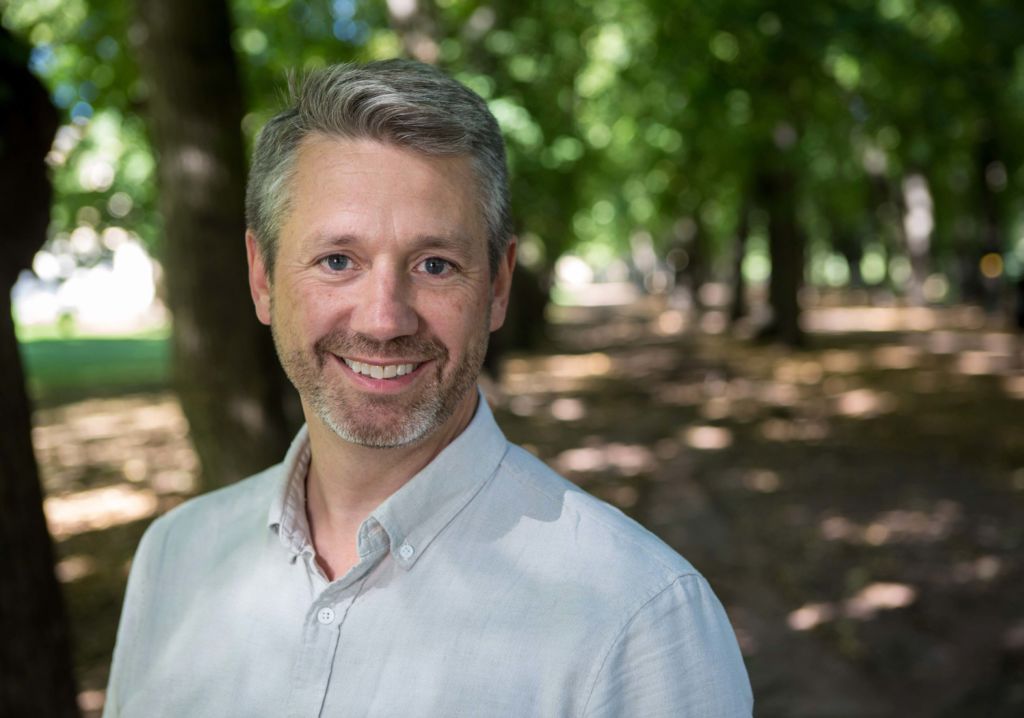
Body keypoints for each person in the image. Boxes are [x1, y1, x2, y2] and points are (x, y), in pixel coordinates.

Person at [103, 59, 753, 717]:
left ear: (497, 286)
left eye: (435, 265)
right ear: (262, 277)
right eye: (337, 261)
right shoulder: (174, 559)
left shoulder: (639, 619)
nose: (385, 320)